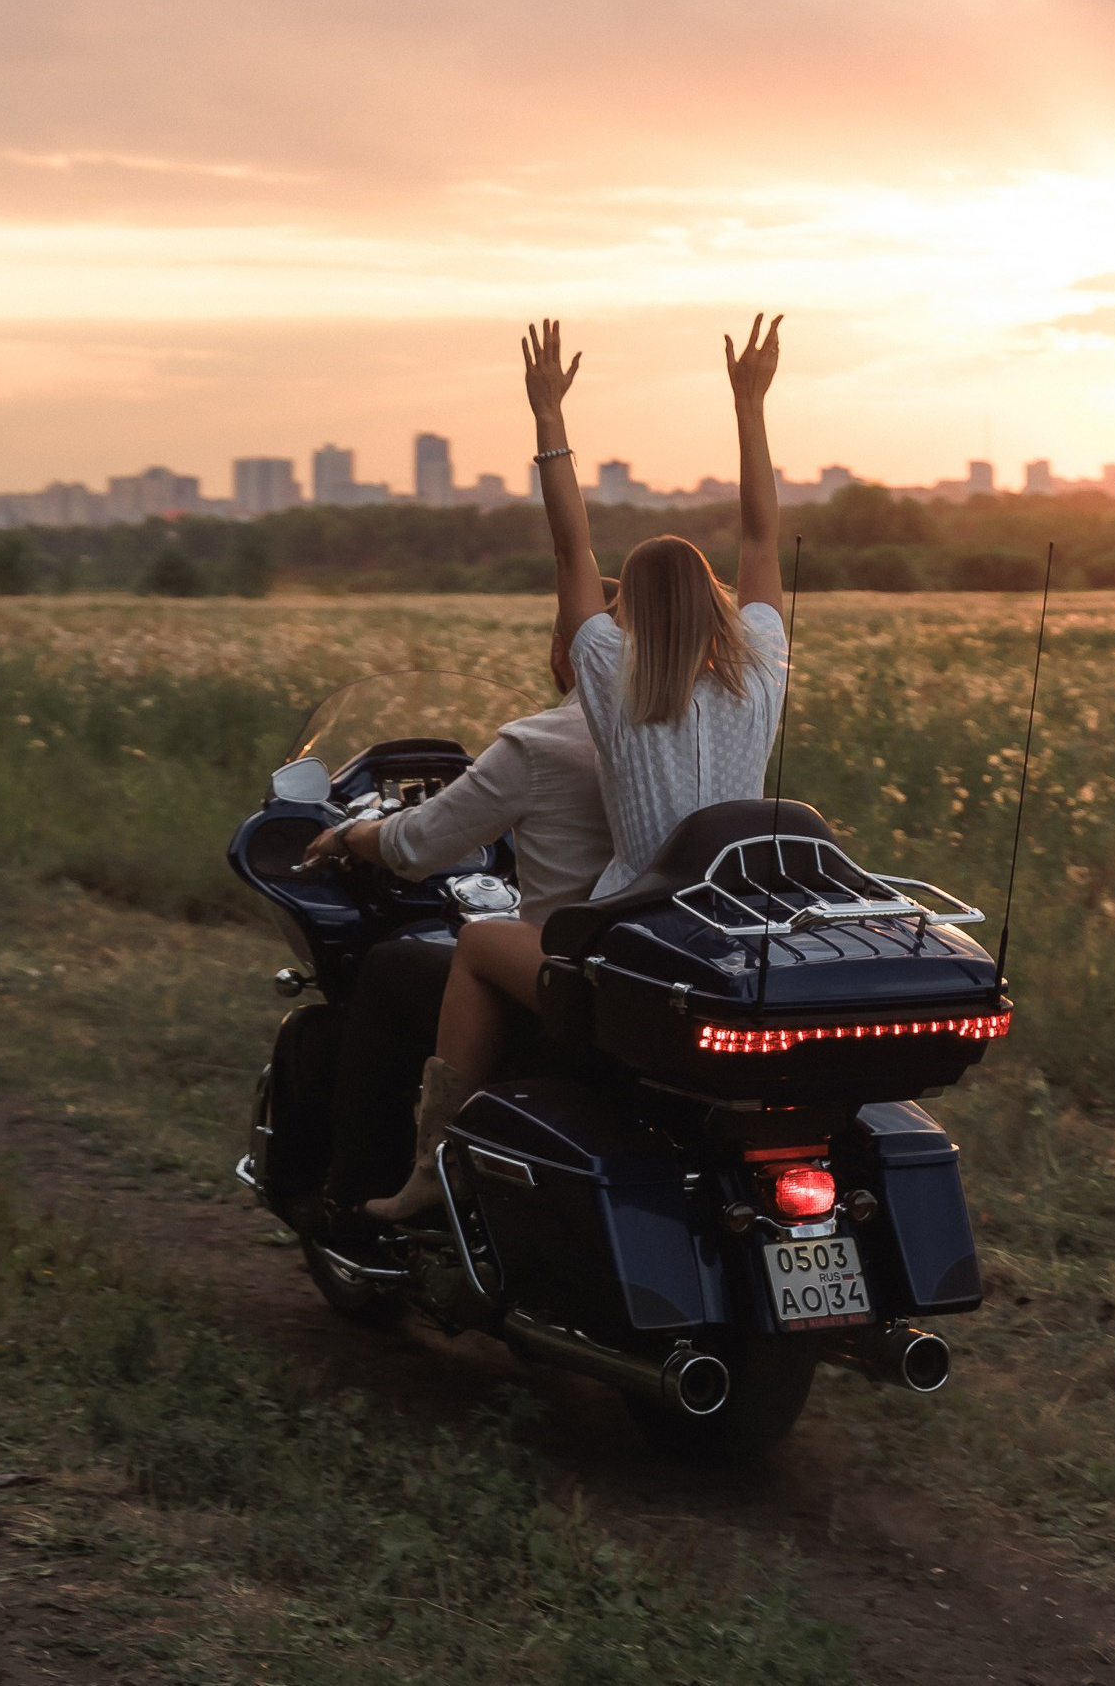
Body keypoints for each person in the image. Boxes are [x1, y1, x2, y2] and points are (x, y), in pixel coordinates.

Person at [364, 309, 790, 1221]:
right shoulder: (760, 672)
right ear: (719, 605)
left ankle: (428, 1173)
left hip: (633, 946)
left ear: (624, 610)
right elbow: (760, 538)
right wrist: (750, 405)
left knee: (479, 941)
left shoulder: (611, 679)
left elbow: (570, 546)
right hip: (731, 942)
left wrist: (548, 417)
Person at [302, 609, 617, 1220]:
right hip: (651, 961)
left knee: (390, 967)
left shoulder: (542, 742)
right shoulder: (693, 730)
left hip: (568, 973)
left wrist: (349, 838)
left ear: (564, 651)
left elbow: (416, 844)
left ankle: (364, 1194)